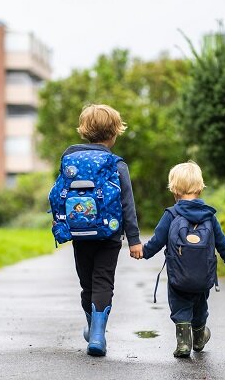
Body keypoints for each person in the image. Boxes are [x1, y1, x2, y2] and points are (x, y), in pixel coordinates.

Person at [60, 104, 142, 356]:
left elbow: (60, 195)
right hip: (110, 235)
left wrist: (61, 223)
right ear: (114, 133)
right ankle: (97, 335)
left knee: (87, 283)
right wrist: (135, 240)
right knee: (103, 280)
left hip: (80, 233)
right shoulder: (116, 164)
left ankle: (92, 327)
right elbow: (127, 203)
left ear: (84, 131)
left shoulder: (69, 158)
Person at [142, 161, 225, 358]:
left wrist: (143, 252)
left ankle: (184, 343)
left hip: (178, 277)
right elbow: (222, 243)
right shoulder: (209, 216)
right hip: (204, 277)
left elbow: (157, 240)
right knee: (200, 307)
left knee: (180, 305)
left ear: (174, 189)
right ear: (200, 188)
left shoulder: (171, 214)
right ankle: (200, 336)